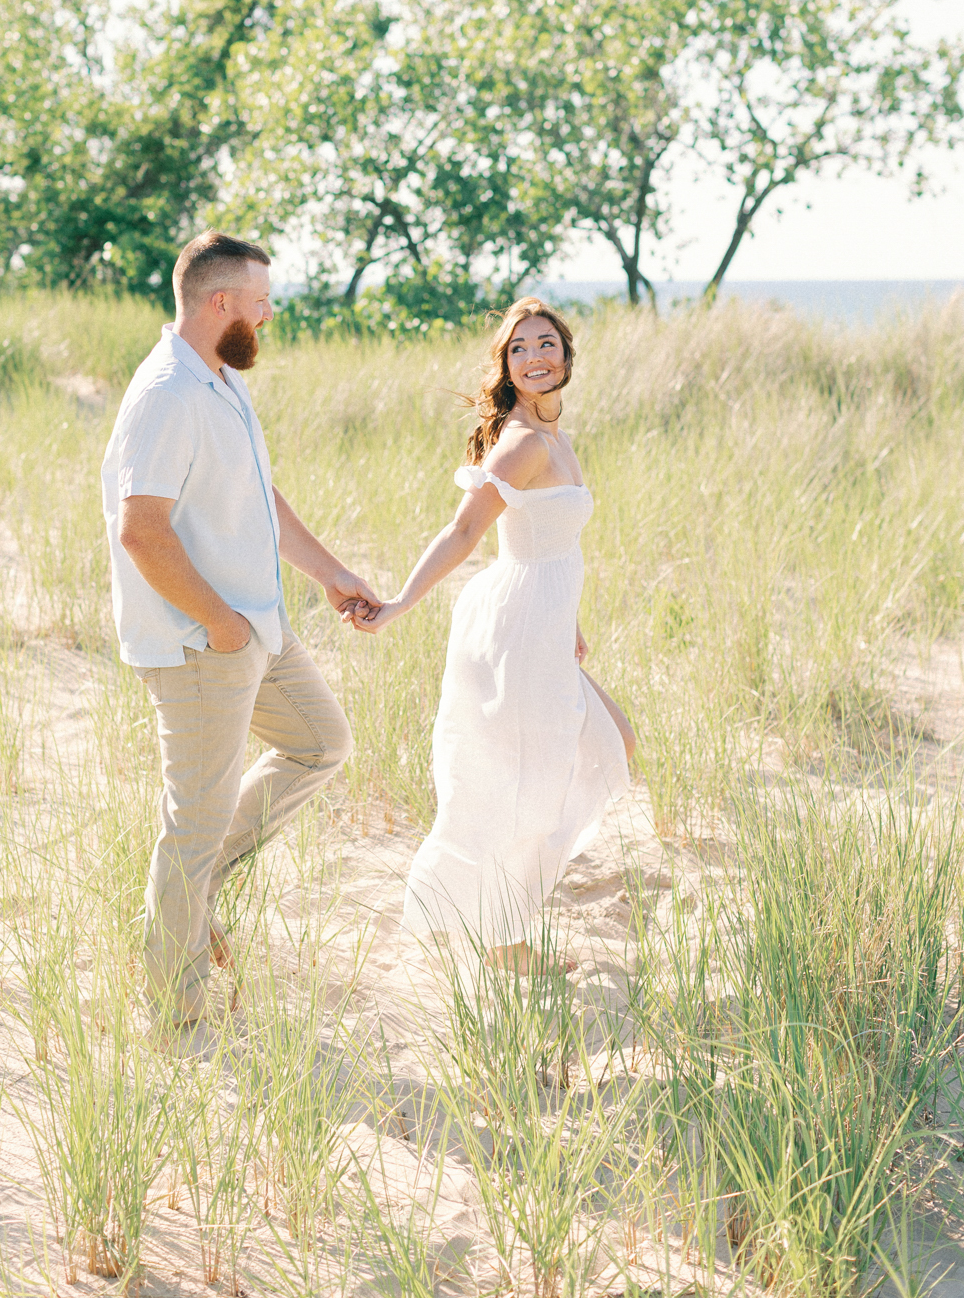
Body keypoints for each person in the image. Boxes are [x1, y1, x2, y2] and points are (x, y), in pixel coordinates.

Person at [101, 231, 378, 1022]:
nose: (270, 313)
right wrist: (222, 627)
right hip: (202, 641)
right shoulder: (165, 395)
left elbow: (260, 496)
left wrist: (331, 574)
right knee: (192, 826)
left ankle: (187, 903)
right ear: (221, 304)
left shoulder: (219, 378)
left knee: (322, 742)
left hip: (259, 626)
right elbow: (141, 530)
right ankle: (174, 1010)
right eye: (261, 301)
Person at [353, 297, 635, 973]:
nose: (535, 357)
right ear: (507, 367)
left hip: (544, 620)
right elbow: (463, 531)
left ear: (566, 354)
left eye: (546, 344)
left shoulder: (557, 435)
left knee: (600, 746)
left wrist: (570, 621)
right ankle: (498, 937)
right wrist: (397, 603)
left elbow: (549, 541)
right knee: (527, 776)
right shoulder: (522, 443)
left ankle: (498, 924)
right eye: (519, 349)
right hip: (512, 625)